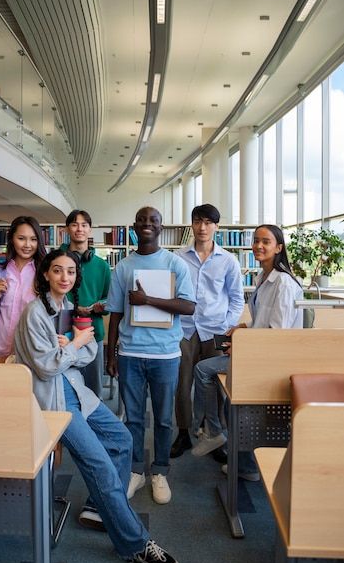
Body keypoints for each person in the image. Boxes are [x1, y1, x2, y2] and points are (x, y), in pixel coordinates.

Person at [14, 248, 180, 563]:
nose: (65, 277)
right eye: (58, 271)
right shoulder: (35, 313)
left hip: (76, 391)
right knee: (100, 464)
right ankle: (135, 543)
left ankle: (103, 507)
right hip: (53, 401)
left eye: (71, 272)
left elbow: (89, 352)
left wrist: (71, 347)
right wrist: (72, 346)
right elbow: (47, 368)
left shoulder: (70, 309)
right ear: (46, 273)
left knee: (121, 439)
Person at [192, 224, 303, 479]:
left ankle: (214, 432)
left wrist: (243, 344)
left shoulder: (283, 283)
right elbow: (264, 320)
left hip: (269, 360)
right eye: (255, 241)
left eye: (266, 241)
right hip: (258, 352)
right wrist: (245, 326)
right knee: (234, 399)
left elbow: (277, 333)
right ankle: (245, 465)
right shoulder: (263, 277)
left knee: (204, 370)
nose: (258, 246)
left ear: (279, 247)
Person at [106, 207, 195, 505]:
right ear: (134, 226)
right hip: (130, 353)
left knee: (164, 419)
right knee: (132, 418)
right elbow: (116, 315)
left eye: (152, 220)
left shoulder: (175, 264)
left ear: (161, 227)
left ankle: (160, 472)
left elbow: (188, 307)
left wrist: (148, 301)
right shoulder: (123, 267)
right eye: (142, 220)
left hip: (166, 355)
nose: (147, 224)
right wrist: (111, 354)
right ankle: (135, 471)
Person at [170, 204, 244, 459]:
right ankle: (183, 433)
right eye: (198, 221)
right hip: (185, 330)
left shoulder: (228, 261)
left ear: (216, 226)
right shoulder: (177, 258)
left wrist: (227, 327)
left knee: (216, 385)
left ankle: (212, 433)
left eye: (208, 222)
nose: (202, 227)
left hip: (215, 331)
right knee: (182, 385)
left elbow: (236, 299)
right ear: (191, 224)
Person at [0, 215, 46, 356]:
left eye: (33, 239)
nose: (27, 245)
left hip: (31, 352)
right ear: (12, 239)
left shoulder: (45, 274)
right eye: (21, 238)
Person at [60, 209, 111, 399]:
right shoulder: (58, 260)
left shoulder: (102, 266)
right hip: (62, 334)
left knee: (93, 390)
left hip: (92, 334)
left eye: (84, 225)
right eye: (74, 224)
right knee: (64, 390)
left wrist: (101, 305)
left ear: (90, 230)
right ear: (67, 229)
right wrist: (73, 307)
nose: (79, 229)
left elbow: (109, 298)